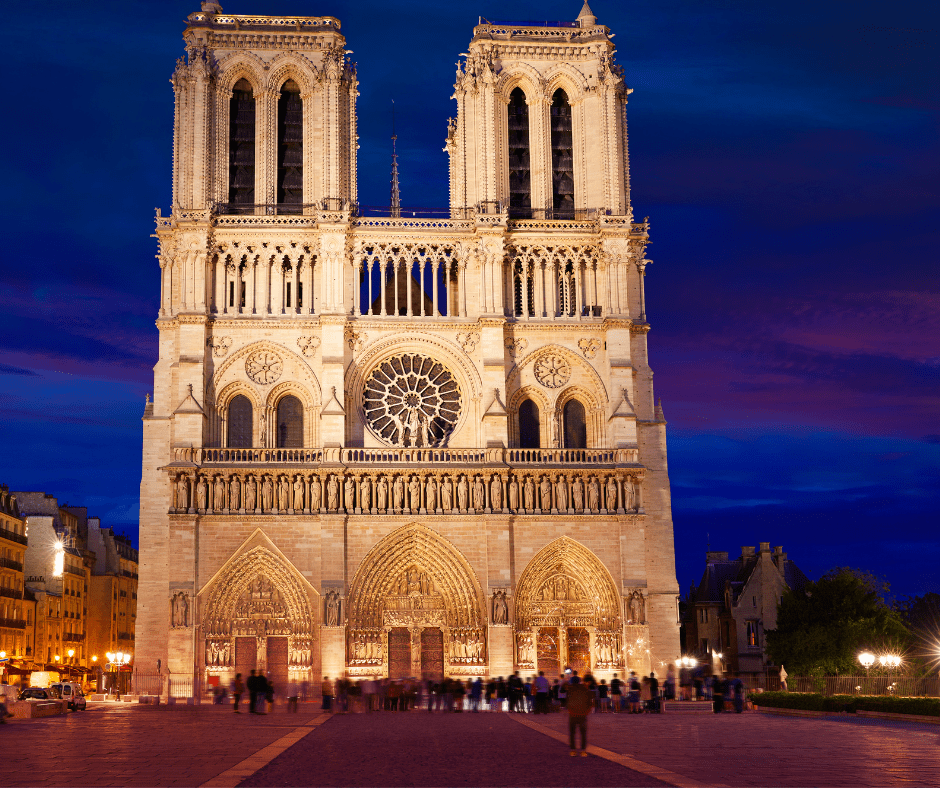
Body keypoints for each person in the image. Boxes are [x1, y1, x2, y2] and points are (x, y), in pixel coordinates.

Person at [566, 675, 593, 757]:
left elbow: (567, 701)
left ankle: (573, 750)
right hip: (583, 714)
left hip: (572, 714)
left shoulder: (570, 689)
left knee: (572, 733)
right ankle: (583, 751)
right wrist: (587, 711)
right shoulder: (585, 689)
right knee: (583, 733)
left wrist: (569, 710)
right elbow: (590, 701)